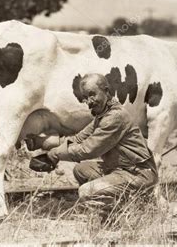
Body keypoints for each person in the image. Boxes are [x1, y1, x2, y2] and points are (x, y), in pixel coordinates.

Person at [45, 73, 158, 204]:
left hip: (138, 174)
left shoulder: (115, 117)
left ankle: (113, 218)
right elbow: (79, 138)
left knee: (86, 191)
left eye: (92, 94)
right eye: (85, 97)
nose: (89, 101)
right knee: (81, 170)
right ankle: (120, 204)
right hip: (119, 169)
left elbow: (88, 150)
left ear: (106, 91)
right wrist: (46, 144)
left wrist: (56, 154)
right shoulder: (103, 115)